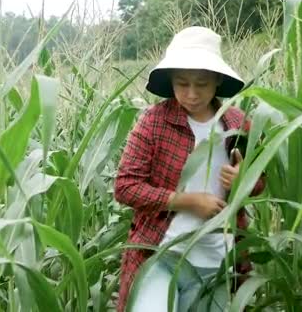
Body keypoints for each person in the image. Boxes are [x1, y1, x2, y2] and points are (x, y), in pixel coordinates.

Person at [114, 26, 266, 311]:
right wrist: (188, 201)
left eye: (202, 84)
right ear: (170, 80)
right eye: (182, 83)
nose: (192, 94)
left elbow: (259, 182)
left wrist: (245, 179)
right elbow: (125, 186)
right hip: (160, 255)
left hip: (217, 263)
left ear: (218, 80)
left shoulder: (237, 123)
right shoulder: (153, 122)